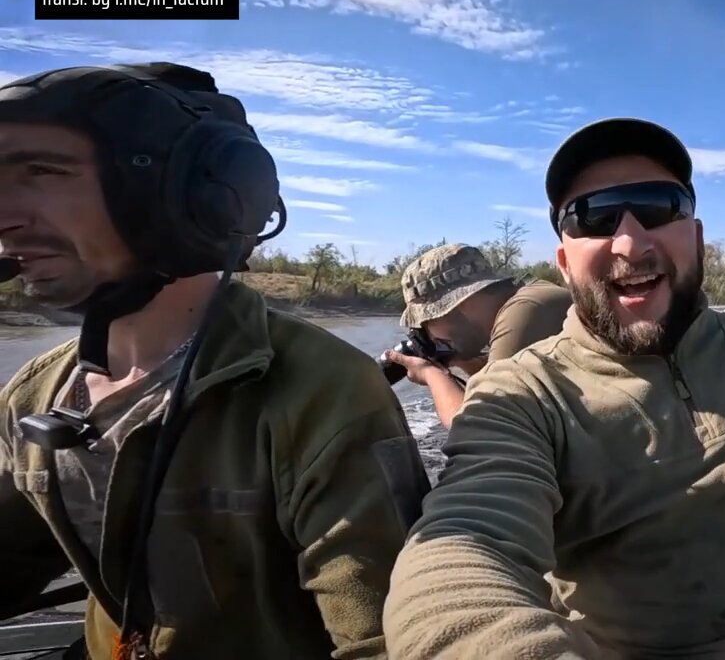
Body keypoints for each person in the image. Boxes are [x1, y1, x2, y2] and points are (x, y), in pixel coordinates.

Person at [383, 117, 725, 659]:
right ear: (563, 262)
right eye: (593, 217)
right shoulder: (524, 392)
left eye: (658, 207)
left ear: (696, 237)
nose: (629, 241)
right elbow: (458, 557)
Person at [0, 62, 428, 659]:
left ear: (194, 195)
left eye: (42, 172)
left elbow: (385, 641)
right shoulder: (34, 393)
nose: (5, 216)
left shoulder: (321, 392)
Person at [381, 243, 572, 428]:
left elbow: (480, 428)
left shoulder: (526, 313)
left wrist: (431, 374)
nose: (429, 337)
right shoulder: (530, 299)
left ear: (458, 304)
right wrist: (464, 362)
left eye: (425, 323)